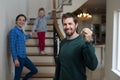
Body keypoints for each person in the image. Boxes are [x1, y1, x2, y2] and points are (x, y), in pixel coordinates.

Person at [54, 13, 98, 80]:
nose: (67, 27)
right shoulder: (63, 42)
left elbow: (93, 66)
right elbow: (59, 66)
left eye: (70, 24)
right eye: (65, 24)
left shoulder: (83, 42)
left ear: (76, 25)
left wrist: (89, 42)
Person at [9, 14, 38, 80]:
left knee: (34, 70)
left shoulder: (21, 31)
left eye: (23, 20)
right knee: (17, 77)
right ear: (16, 21)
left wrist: (29, 35)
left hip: (24, 56)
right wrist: (15, 59)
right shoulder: (13, 31)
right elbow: (12, 46)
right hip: (18, 57)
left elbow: (23, 37)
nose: (21, 22)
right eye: (20, 20)